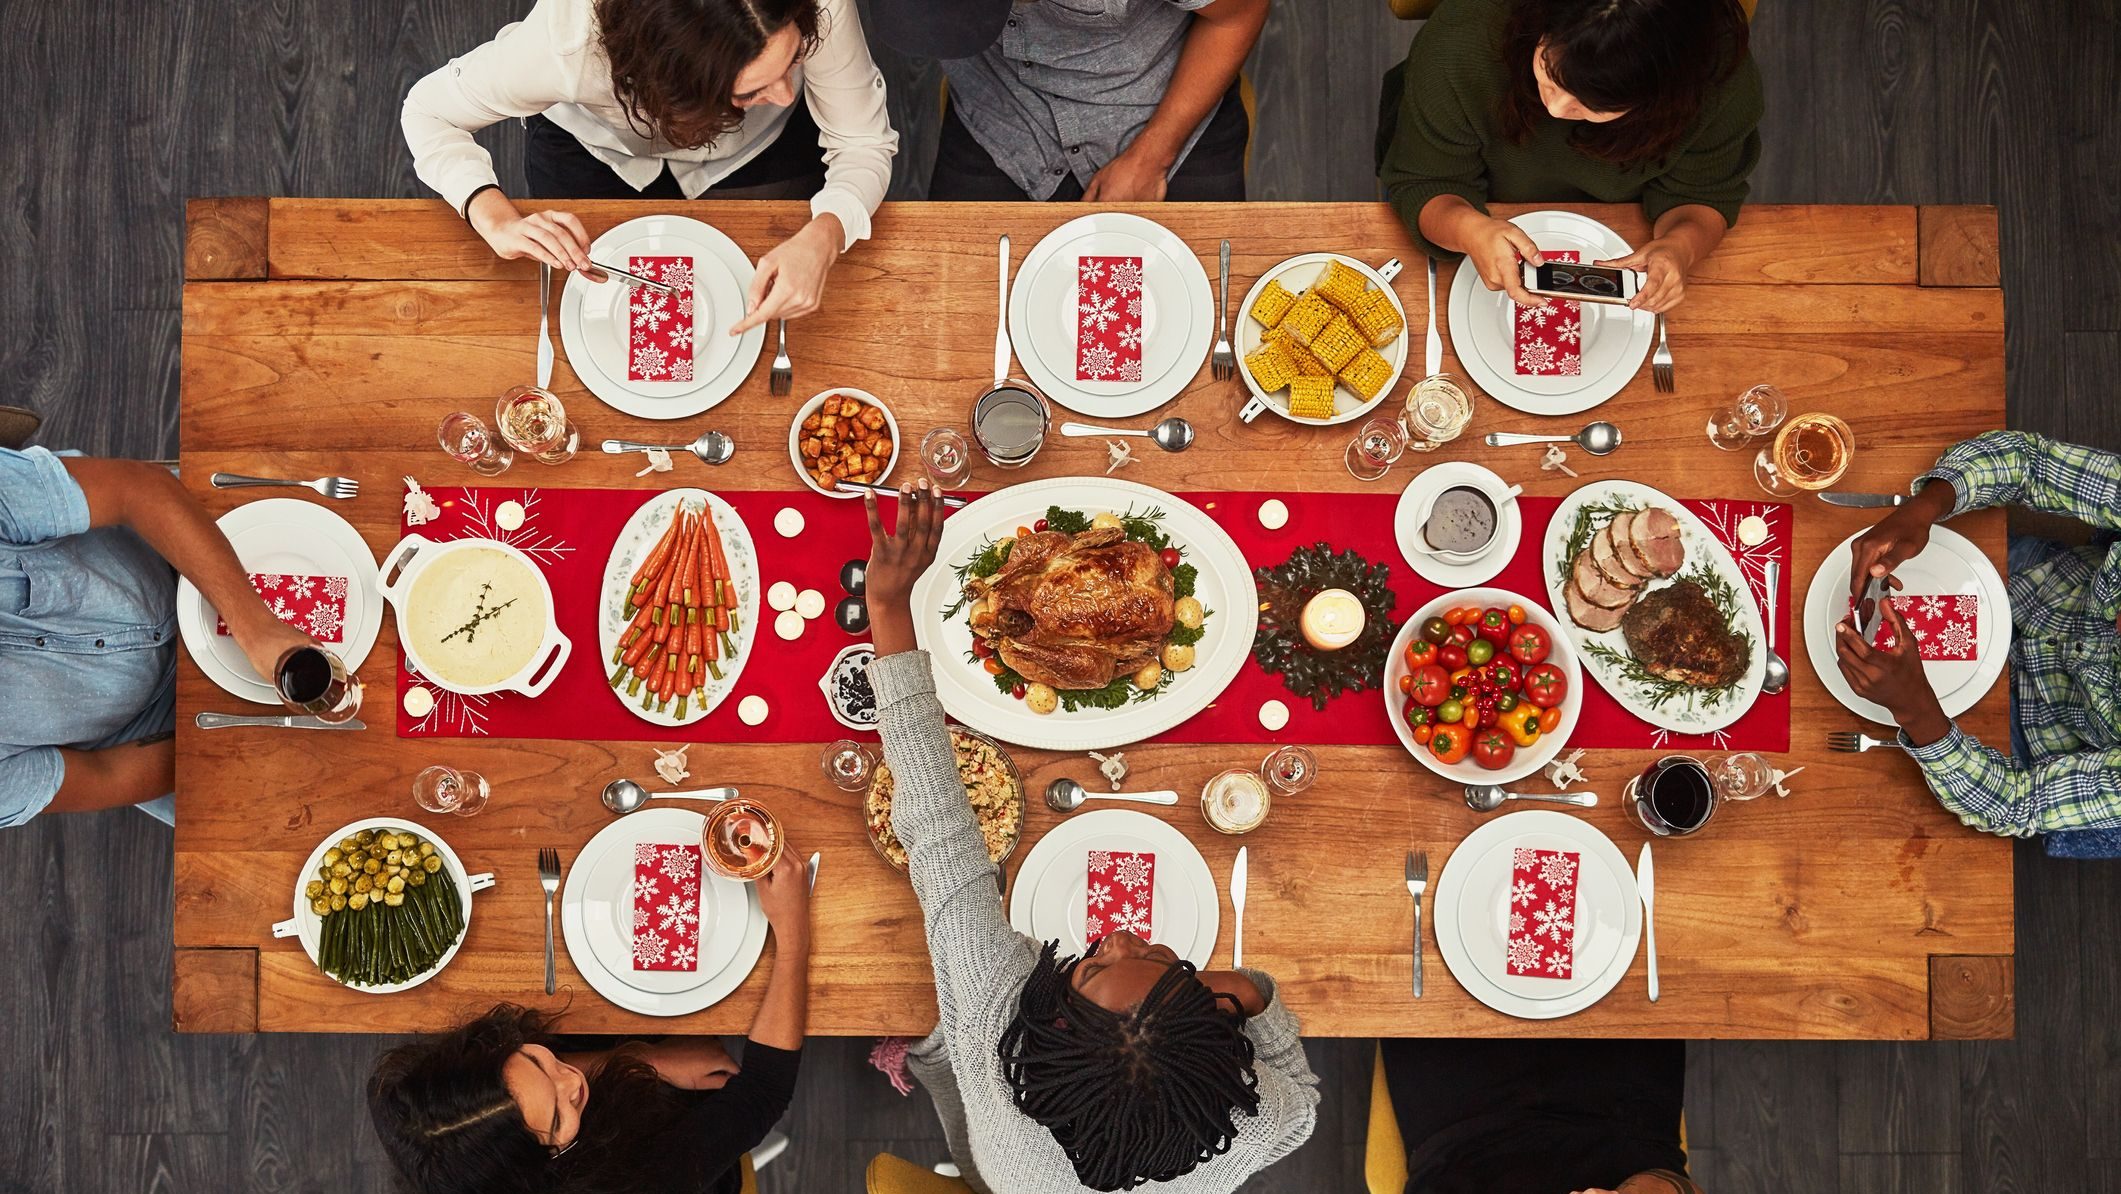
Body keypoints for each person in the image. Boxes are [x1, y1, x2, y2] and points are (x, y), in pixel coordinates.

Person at [860, 480, 1318, 1193]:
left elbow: (939, 834)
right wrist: (1251, 997)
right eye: (1173, 969)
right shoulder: (1254, 1119)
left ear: (1057, 1028)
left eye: (1093, 967)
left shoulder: (993, 1019)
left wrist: (886, 607)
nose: (1122, 932)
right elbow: (1303, 1111)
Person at [401, 0, 899, 336]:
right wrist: (491, 214)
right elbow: (428, 110)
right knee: (589, 315)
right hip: (592, 151)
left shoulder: (814, 6)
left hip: (757, 151)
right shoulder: (562, 48)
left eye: (792, 63)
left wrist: (827, 233)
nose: (790, 96)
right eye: (749, 91)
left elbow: (862, 141)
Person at [366, 845, 811, 1194]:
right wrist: (793, 935)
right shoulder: (643, 1182)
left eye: (536, 1062)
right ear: (545, 1166)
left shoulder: (412, 1110)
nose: (574, 1082)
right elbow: (763, 1093)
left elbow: (545, 1089)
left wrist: (646, 1060)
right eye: (558, 1117)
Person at [1, 447, 319, 829]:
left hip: (177, 543)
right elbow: (107, 774)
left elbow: (135, 491)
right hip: (159, 730)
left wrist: (255, 628)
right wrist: (237, 735)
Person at [1377, 0, 1761, 314]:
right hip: (1475, 198)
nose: (1556, 109)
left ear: (1665, 97)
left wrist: (1682, 245)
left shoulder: (1721, 83)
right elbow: (1426, 181)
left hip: (1626, 229)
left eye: (1593, 104)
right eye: (1549, 74)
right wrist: (1466, 228)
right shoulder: (1459, 46)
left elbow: (1703, 195)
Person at [1834, 430, 2121, 838]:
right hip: (2031, 577)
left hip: (2020, 734)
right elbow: (2029, 463)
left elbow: (2016, 804)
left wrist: (1916, 710)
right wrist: (1929, 504)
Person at [865, 0, 1268, 203]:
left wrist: (1151, 157)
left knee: (1164, 335)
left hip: (1153, 114)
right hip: (999, 117)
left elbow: (1239, 12)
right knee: (959, 328)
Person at [1380, 1037, 1696, 1194]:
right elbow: (1683, 1186)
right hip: (1623, 1118)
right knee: (1625, 934)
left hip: (1461, 1131)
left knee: (1425, 938)